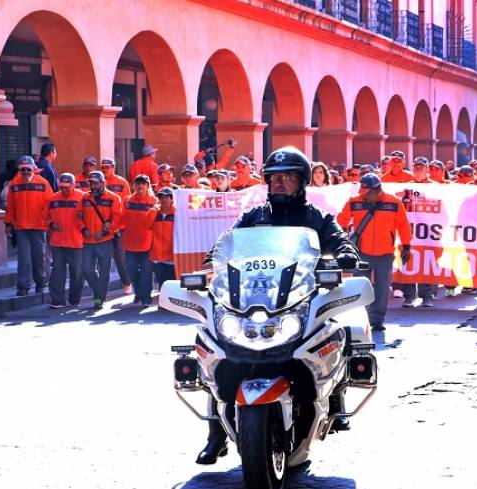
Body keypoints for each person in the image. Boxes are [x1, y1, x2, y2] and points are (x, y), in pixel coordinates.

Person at [196, 146, 359, 466]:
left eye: (288, 177)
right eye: (274, 178)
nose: (280, 183)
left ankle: (337, 398)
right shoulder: (254, 216)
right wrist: (211, 261)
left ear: (303, 181)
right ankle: (216, 434)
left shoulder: (318, 217)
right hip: (256, 297)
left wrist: (345, 254)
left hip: (300, 296)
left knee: (336, 329)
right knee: (217, 349)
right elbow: (225, 243)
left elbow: (340, 240)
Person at [338, 173, 412, 328]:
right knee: (360, 287)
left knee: (382, 288)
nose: (363, 196)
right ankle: (360, 320)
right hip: (361, 253)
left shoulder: (394, 203)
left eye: (367, 193)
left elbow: (404, 226)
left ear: (377, 190)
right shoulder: (354, 202)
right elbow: (340, 221)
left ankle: (377, 320)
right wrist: (343, 238)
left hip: (385, 254)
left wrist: (406, 247)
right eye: (362, 193)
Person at [6, 156, 53, 296]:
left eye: (28, 169)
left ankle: (40, 283)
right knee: (24, 258)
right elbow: (10, 206)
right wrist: (8, 224)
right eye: (22, 169)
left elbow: (50, 204)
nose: (25, 171)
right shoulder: (14, 184)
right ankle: (23, 286)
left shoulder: (43, 183)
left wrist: (48, 222)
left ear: (33, 168)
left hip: (39, 227)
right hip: (21, 228)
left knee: (39, 257)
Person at [80, 171, 123, 309]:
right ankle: (99, 291)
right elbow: (78, 216)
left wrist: (104, 233)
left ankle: (99, 298)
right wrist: (83, 229)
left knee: (104, 271)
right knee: (86, 269)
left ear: (103, 183)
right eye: (91, 183)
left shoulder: (114, 198)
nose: (92, 185)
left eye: (95, 183)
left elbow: (117, 219)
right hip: (88, 241)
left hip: (105, 240)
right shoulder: (84, 198)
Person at [44, 173, 84, 308]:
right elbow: (44, 217)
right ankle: (57, 300)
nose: (65, 189)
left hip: (76, 241)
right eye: (62, 187)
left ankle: (74, 300)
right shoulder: (52, 199)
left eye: (67, 187)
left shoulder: (82, 198)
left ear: (73, 185)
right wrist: (51, 224)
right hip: (58, 242)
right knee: (57, 272)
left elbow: (88, 217)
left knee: (77, 273)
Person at [403, 157, 437, 307]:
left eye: (421, 167)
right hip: (409, 232)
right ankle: (409, 296)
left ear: (427, 170)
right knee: (408, 262)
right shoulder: (406, 188)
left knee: (426, 263)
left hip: (428, 233)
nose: (418, 170)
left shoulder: (437, 188)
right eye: (416, 167)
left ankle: (427, 296)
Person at [121, 175, 158, 307]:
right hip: (130, 243)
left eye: (144, 183)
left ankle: (146, 297)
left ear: (148, 186)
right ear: (134, 186)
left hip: (148, 243)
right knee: (131, 270)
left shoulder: (154, 202)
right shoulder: (127, 200)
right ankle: (139, 293)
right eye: (138, 183)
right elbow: (121, 218)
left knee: (146, 272)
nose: (141, 186)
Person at [99, 157, 134, 296]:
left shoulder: (122, 182)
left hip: (120, 227)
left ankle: (127, 283)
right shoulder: (98, 182)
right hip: (102, 227)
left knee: (120, 257)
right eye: (103, 168)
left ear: (114, 167)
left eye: (108, 167)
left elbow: (127, 204)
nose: (105, 170)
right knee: (103, 259)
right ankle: (101, 290)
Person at [151, 188, 176, 289]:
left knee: (170, 285)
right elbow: (146, 226)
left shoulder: (178, 214)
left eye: (167, 197)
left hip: (171, 256)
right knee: (162, 285)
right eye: (161, 197)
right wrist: (152, 211)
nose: (164, 199)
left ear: (172, 199)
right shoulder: (154, 213)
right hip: (157, 256)